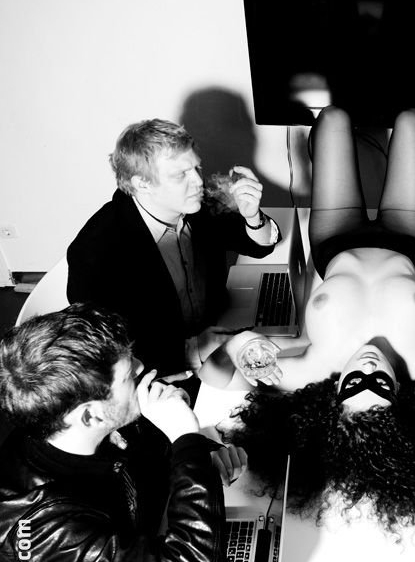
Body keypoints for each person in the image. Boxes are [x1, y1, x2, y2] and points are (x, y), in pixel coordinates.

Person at [200, 106, 415, 532]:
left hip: (335, 240)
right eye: (380, 385)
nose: (369, 369)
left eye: (354, 384)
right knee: (413, 119)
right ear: (399, 396)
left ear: (333, 399)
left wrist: (241, 342)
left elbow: (213, 375)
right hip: (408, 240)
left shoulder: (310, 370)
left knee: (333, 119)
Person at [0, 305, 244, 562]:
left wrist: (195, 459)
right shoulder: (36, 523)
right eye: (131, 375)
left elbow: (145, 462)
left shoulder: (78, 425)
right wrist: (186, 438)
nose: (146, 372)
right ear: (90, 414)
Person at [67, 118, 281, 379]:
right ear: (142, 183)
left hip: (219, 326)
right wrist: (195, 349)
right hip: (164, 370)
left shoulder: (196, 206)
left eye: (196, 168)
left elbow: (257, 246)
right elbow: (105, 348)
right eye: (181, 175)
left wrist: (252, 216)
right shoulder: (95, 250)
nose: (198, 181)